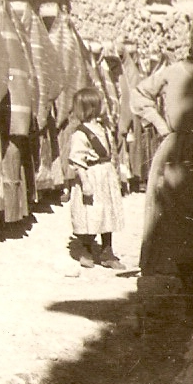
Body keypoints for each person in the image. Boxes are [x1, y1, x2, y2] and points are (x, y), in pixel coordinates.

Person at [131, 14, 193, 292]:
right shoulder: (173, 72)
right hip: (179, 152)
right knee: (175, 214)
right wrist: (161, 126)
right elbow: (139, 95)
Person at [66, 87, 125, 270]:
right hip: (91, 176)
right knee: (89, 213)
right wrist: (85, 183)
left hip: (106, 177)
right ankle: (86, 250)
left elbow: (111, 153)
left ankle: (107, 251)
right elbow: (77, 160)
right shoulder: (80, 133)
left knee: (107, 213)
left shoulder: (103, 128)